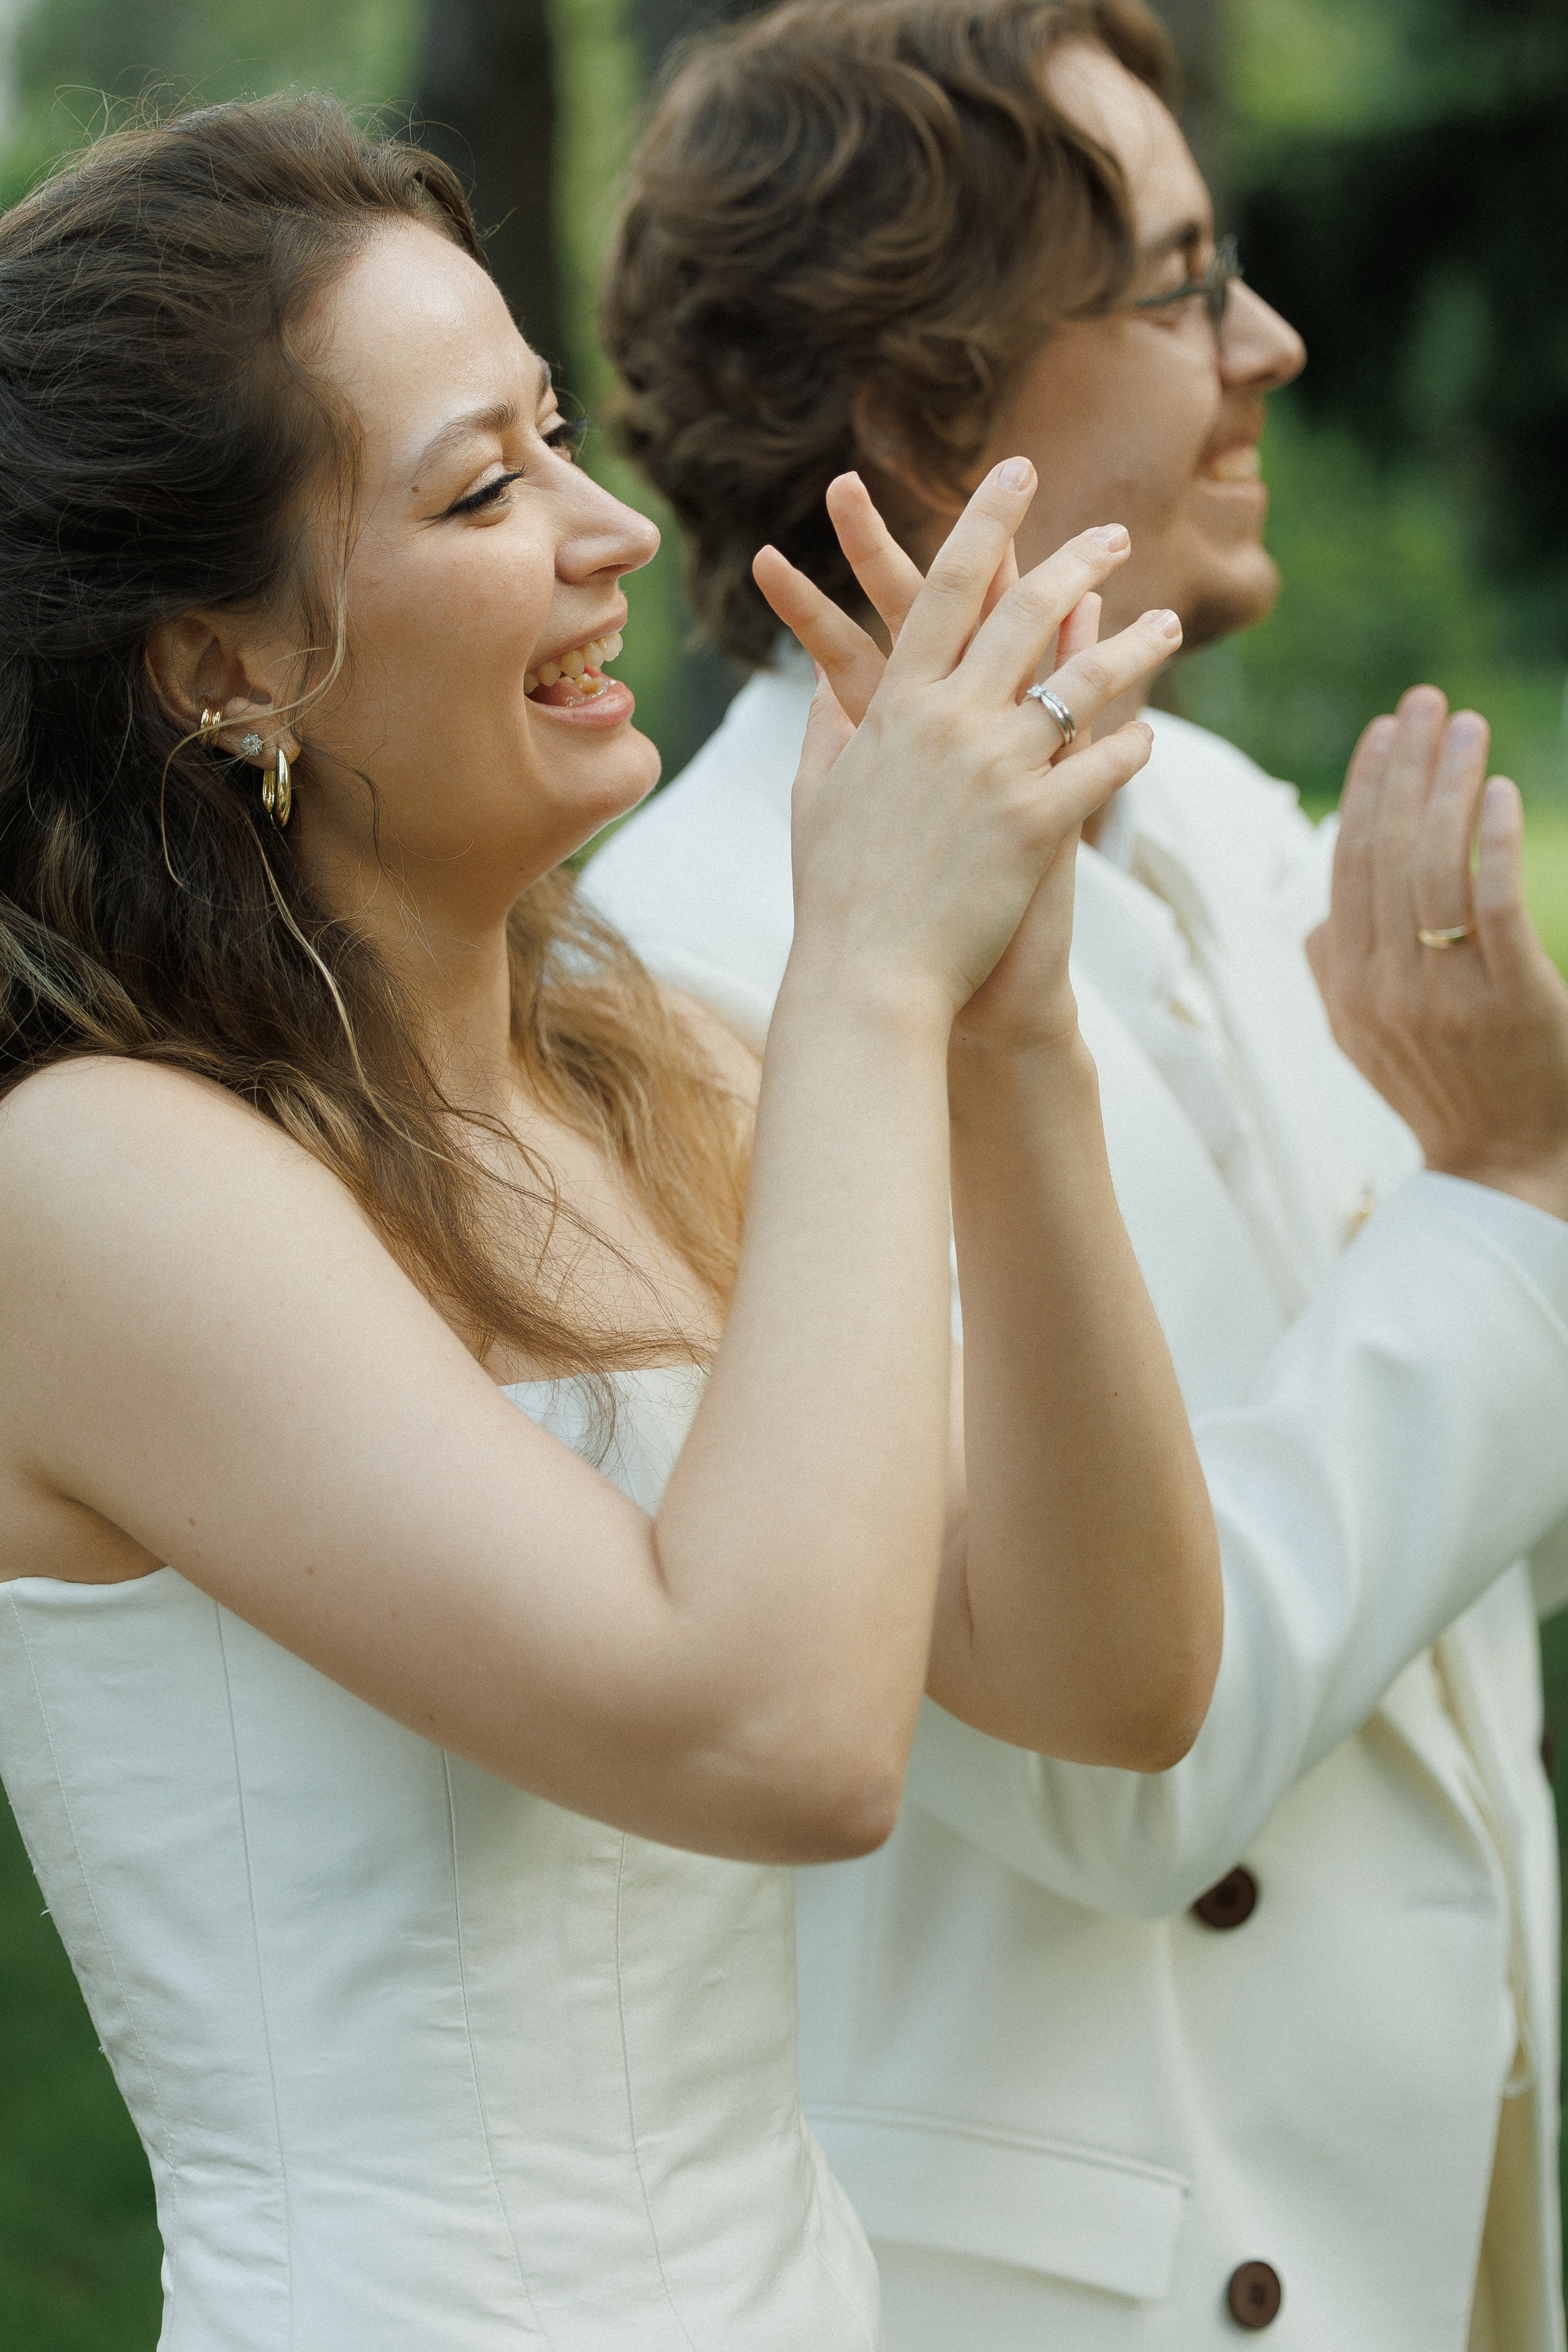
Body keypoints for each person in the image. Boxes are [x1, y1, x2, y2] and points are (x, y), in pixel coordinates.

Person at [0, 96, 1229, 2351]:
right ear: (219, 669)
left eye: (563, 442)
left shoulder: (649, 1070)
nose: (617, 534)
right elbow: (778, 1738)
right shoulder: (90, 1179)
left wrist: (1006, 1042)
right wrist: (867, 972)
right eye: (484, 489)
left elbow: (1108, 1680)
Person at [586, 2, 1568, 2345]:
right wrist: (1512, 1204)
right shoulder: (692, 985)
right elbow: (1126, 1767)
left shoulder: (1226, 826)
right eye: (1182, 285)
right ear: (925, 409)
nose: (1272, 344)